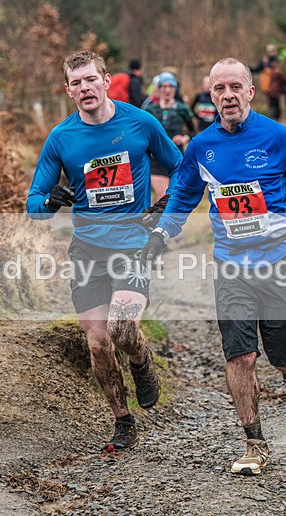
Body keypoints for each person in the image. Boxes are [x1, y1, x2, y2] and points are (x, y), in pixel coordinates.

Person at [141, 57, 286, 475]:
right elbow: (182, 198)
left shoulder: (277, 137)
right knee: (240, 355)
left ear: (250, 92)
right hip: (231, 267)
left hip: (279, 262)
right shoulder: (202, 147)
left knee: (284, 351)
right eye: (218, 89)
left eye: (234, 87)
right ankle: (254, 443)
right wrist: (160, 235)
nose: (227, 96)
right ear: (211, 95)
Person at [27, 50, 182, 452]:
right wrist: (51, 201)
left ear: (106, 80)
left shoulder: (140, 123)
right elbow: (34, 204)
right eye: (76, 83)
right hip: (87, 252)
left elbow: (182, 170)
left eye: (90, 80)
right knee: (97, 342)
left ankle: (141, 361)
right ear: (68, 90)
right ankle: (122, 421)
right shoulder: (62, 138)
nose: (84, 88)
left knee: (123, 329)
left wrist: (165, 207)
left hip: (132, 246)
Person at [144, 72, 195, 199]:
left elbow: (193, 132)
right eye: (164, 86)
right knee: (162, 198)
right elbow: (143, 133)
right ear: (159, 88)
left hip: (176, 159)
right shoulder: (151, 109)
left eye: (171, 87)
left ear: (175, 89)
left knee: (174, 199)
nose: (167, 90)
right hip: (156, 160)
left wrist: (184, 138)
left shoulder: (182, 108)